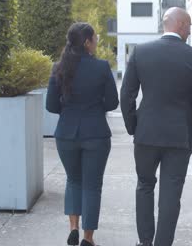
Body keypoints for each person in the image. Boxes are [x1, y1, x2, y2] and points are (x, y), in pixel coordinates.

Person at [120, 7, 192, 246]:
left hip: (146, 133)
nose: (190, 31)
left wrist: (134, 127)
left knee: (144, 186)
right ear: (180, 25)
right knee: (171, 194)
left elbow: (127, 95)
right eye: (189, 25)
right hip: (179, 136)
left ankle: (145, 241)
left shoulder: (141, 52)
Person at [46, 22, 119, 246]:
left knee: (73, 180)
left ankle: (73, 228)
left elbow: (51, 105)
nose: (97, 41)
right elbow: (112, 102)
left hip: (66, 134)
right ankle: (88, 238)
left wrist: (68, 111)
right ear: (87, 42)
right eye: (95, 38)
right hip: (95, 133)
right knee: (92, 185)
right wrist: (95, 106)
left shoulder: (59, 67)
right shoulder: (102, 67)